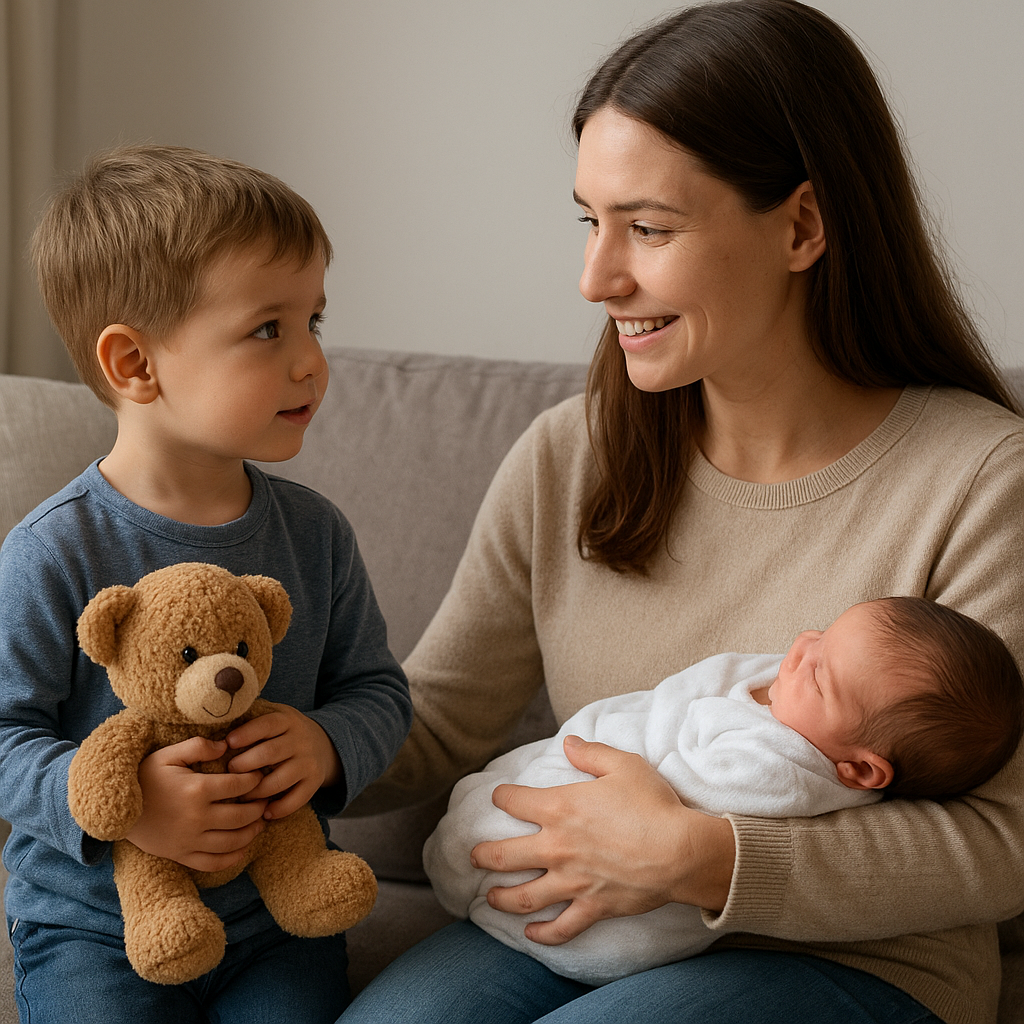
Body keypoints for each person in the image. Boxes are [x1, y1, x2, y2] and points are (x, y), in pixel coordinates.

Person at [338, 2, 1024, 1023]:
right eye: (589, 219)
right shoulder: (570, 455)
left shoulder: (978, 478)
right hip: (581, 929)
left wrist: (700, 856)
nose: (595, 277)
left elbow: (1005, 841)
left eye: (647, 228)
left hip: (862, 966)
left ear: (800, 225)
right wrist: (287, 747)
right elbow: (436, 721)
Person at [0, 145, 413, 1024]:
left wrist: (328, 742)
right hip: (94, 931)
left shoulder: (315, 534)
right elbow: (3, 733)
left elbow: (377, 688)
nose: (310, 361)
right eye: (269, 329)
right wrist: (125, 807)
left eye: (314, 322)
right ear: (135, 365)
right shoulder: (52, 551)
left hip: (276, 925)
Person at [425, 597, 1024, 986]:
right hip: (603, 872)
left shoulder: (781, 770)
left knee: (496, 833)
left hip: (849, 964)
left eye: (819, 673)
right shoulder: (560, 452)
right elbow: (437, 708)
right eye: (822, 632)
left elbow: (671, 803)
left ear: (863, 772)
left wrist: (683, 850)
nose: (801, 647)